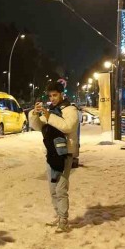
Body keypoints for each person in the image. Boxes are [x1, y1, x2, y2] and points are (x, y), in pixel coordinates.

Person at [28, 81, 80, 233]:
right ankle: (58, 215)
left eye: (55, 95)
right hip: (51, 153)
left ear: (62, 94)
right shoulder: (51, 111)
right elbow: (38, 126)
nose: (52, 98)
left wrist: (49, 115)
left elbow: (68, 126)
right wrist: (34, 113)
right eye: (50, 96)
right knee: (52, 189)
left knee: (61, 188)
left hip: (65, 153)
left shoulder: (70, 109)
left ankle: (63, 220)